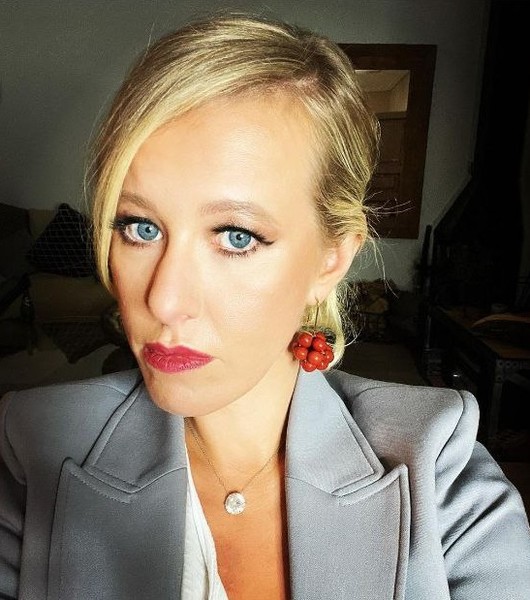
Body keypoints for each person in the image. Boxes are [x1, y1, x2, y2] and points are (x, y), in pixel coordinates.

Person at [1, 13, 530, 600]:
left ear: (330, 260)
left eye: (236, 236)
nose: (164, 301)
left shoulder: (439, 480)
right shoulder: (34, 451)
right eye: (140, 227)